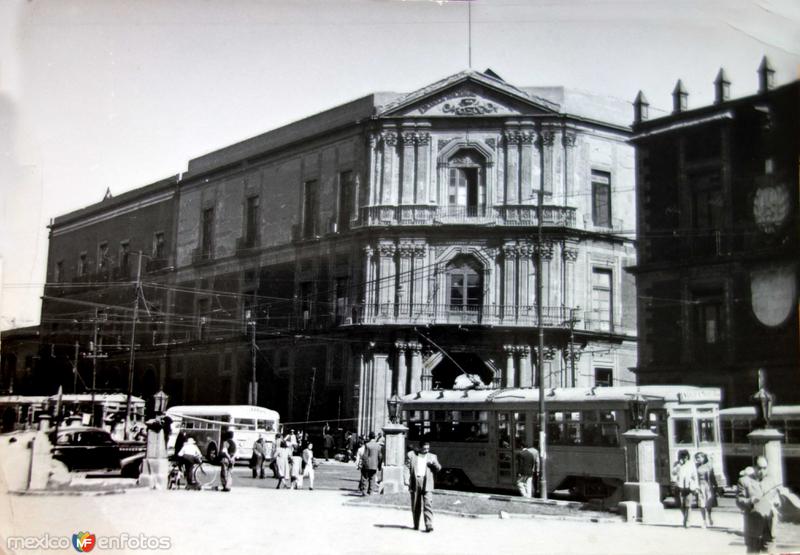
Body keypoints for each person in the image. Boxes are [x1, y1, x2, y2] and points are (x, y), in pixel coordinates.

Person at [737, 456, 779, 553]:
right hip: (753, 528)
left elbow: (776, 496)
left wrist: (777, 502)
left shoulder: (771, 480)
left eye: (764, 468)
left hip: (769, 526)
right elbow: (739, 501)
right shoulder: (744, 481)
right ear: (754, 467)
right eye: (759, 468)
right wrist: (751, 500)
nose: (762, 471)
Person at [403, 440, 441, 533]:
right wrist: (406, 479)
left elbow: (439, 468)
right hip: (415, 481)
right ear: (420, 448)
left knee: (428, 504)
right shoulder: (411, 455)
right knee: (416, 504)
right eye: (424, 449)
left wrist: (434, 464)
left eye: (428, 448)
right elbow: (406, 467)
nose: (426, 450)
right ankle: (416, 524)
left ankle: (429, 525)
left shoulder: (432, 456)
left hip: (427, 482)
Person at [671, 449, 698, 528]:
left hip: (689, 487)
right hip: (679, 486)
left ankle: (687, 521)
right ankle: (685, 518)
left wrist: (696, 486)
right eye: (682, 457)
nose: (684, 458)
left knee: (688, 505)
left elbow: (695, 476)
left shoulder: (691, 464)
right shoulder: (677, 464)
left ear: (687, 456)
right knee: (680, 504)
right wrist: (679, 465)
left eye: (685, 457)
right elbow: (673, 473)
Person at [694, 451, 718, 527]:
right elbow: (695, 477)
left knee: (708, 503)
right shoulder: (695, 466)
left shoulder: (709, 465)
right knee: (701, 504)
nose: (698, 459)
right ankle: (704, 521)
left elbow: (712, 476)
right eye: (697, 458)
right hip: (700, 485)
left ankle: (709, 516)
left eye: (700, 457)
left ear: (704, 458)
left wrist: (716, 486)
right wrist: (695, 487)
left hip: (708, 485)